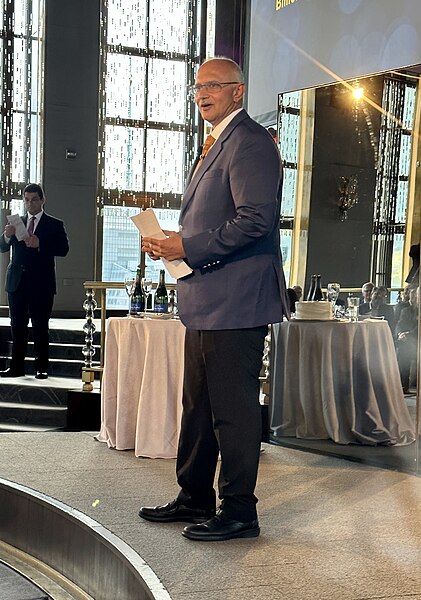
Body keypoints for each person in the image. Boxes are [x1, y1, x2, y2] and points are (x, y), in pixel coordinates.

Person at [139, 57, 288, 542]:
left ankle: (240, 511)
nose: (202, 93)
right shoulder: (214, 143)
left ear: (238, 91)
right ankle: (195, 495)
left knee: (233, 408)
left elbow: (255, 222)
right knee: (198, 405)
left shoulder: (250, 143)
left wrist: (188, 245)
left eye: (214, 85)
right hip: (207, 297)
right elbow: (214, 221)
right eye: (198, 86)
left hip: (238, 300)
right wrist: (174, 239)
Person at [0, 184, 69, 379]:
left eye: (34, 200)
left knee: (40, 327)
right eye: (27, 200)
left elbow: (64, 249)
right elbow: (2, 247)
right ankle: (16, 367)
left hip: (41, 284)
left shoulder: (54, 224)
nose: (30, 204)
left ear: (42, 200)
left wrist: (41, 244)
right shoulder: (17, 223)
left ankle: (41, 367)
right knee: (17, 327)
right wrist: (7, 235)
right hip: (17, 283)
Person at [395, 285, 419, 393]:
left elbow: (419, 327)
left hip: (417, 339)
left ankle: (404, 383)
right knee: (403, 347)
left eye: (416, 295)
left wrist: (408, 334)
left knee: (406, 347)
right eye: (412, 294)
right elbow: (399, 324)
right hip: (406, 339)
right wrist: (400, 333)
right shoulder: (405, 310)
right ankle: (402, 384)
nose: (414, 297)